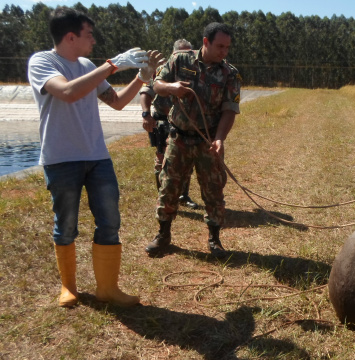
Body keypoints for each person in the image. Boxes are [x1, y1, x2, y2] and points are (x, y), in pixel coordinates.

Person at [27, 6, 163, 307]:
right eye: (90, 35)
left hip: (97, 156)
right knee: (66, 223)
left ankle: (108, 289)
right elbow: (67, 92)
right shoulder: (42, 61)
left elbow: (116, 102)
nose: (94, 41)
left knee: (109, 220)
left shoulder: (88, 63)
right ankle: (69, 288)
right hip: (61, 159)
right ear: (71, 36)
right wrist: (113, 64)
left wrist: (142, 78)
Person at [145, 22, 241, 258]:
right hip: (178, 138)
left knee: (214, 191)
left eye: (227, 47)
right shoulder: (180, 60)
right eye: (220, 46)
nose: (224, 52)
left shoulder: (230, 73)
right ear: (205, 42)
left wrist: (219, 139)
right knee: (169, 187)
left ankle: (215, 240)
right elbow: (156, 84)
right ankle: (163, 236)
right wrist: (172, 87)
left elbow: (230, 109)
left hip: (208, 141)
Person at [140, 39, 198, 209]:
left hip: (183, 124)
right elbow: (146, 91)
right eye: (183, 53)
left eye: (189, 53)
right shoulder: (161, 70)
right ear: (174, 54)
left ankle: (183, 195)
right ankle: (164, 197)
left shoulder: (194, 72)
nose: (187, 57)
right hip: (162, 122)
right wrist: (146, 114)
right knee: (162, 161)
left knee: (186, 161)